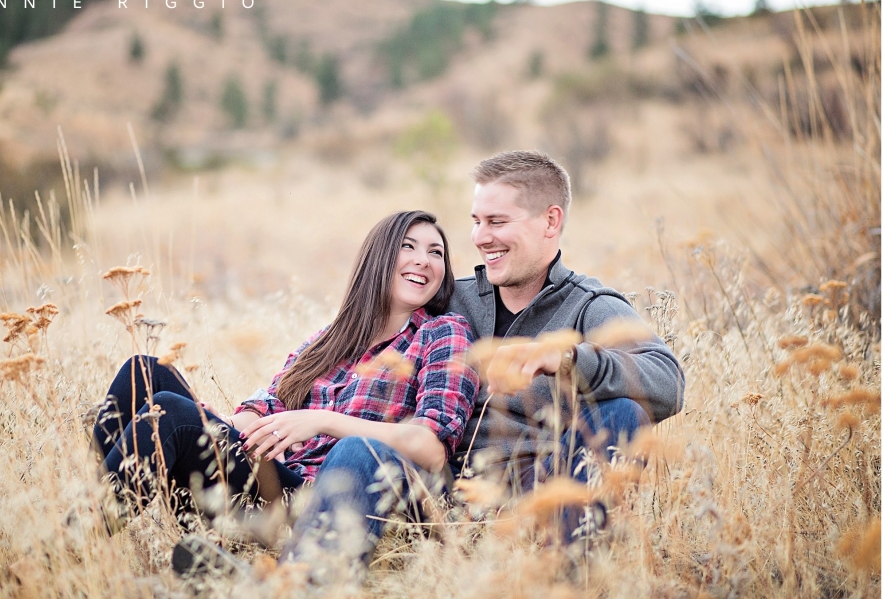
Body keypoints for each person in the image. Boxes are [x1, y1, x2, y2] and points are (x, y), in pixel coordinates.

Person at [283, 150, 684, 569]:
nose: (480, 237)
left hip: (541, 491)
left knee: (624, 413)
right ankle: (302, 593)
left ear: (551, 221)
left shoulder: (589, 306)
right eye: (476, 221)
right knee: (359, 449)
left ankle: (558, 578)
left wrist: (567, 356)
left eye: (497, 222)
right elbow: (369, 338)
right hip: (439, 493)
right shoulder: (448, 297)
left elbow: (668, 381)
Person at [90, 210, 478, 545]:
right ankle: (93, 524)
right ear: (378, 257)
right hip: (269, 478)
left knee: (169, 414)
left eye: (436, 252)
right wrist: (217, 424)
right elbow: (266, 406)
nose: (424, 260)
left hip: (327, 500)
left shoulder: (443, 333)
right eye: (409, 247)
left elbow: (432, 448)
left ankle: (80, 540)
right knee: (144, 372)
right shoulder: (333, 337)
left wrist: (322, 421)